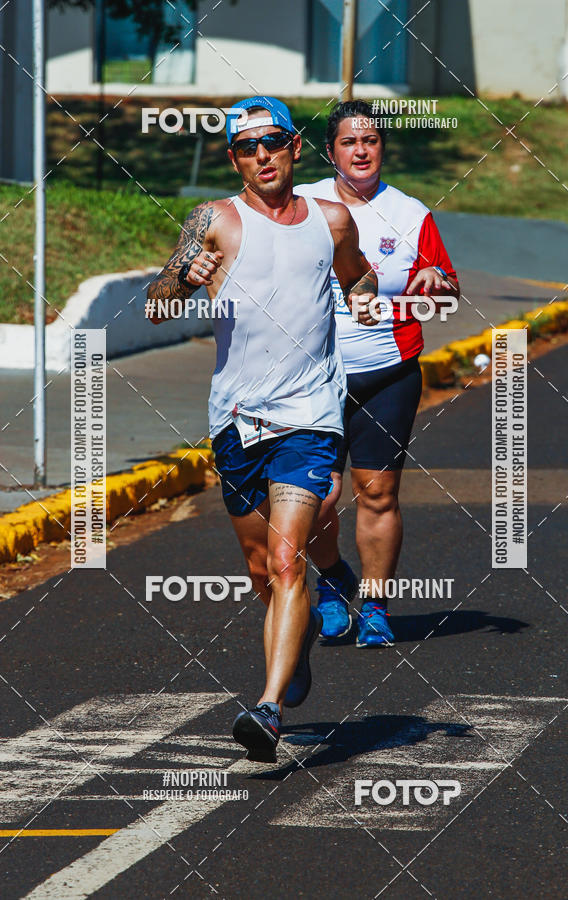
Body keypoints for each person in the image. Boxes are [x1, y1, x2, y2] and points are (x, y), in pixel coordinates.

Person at [147, 96, 378, 762]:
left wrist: (365, 304)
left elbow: (355, 275)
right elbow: (157, 304)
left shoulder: (331, 221)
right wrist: (183, 280)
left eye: (271, 141)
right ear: (233, 159)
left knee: (285, 560)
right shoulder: (211, 220)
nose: (261, 155)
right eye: (246, 147)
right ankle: (296, 639)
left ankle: (269, 710)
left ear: (296, 146)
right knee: (263, 571)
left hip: (308, 415)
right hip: (236, 419)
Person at [296, 100, 459, 648]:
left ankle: (374, 605)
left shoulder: (410, 213)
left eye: (371, 140)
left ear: (381, 148)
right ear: (331, 151)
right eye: (349, 141)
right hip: (315, 374)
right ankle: (333, 579)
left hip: (388, 372)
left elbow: (448, 290)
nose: (361, 150)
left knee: (378, 492)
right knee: (313, 497)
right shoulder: (304, 207)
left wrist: (436, 285)